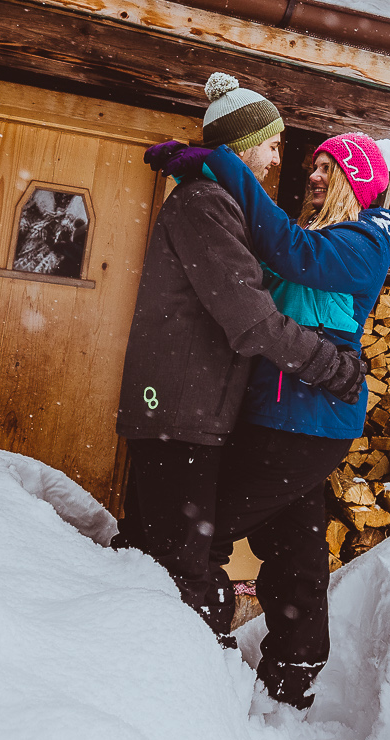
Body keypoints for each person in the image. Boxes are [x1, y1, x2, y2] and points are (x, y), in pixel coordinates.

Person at [112, 73, 366, 659]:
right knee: (180, 561)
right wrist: (331, 365)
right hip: (179, 411)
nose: (277, 160)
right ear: (244, 145)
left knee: (167, 548)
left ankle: (163, 661)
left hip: (194, 409)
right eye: (272, 145)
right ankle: (185, 669)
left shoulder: (219, 202)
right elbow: (251, 319)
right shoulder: (205, 203)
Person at [154, 126, 390, 708]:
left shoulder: (366, 240)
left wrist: (224, 163)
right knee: (296, 550)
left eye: (327, 168)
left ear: (356, 180)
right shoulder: (322, 236)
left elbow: (293, 253)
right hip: (281, 417)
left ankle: (195, 652)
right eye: (314, 165)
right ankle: (293, 673)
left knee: (200, 531)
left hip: (309, 422)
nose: (312, 175)